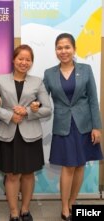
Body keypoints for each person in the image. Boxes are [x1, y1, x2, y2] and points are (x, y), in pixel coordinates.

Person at [0, 45, 52, 221]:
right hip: (8, 134)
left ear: (31, 62)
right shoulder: (1, 80)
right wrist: (9, 115)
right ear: (13, 60)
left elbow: (47, 109)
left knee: (29, 174)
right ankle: (14, 211)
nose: (24, 62)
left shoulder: (37, 81)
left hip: (31, 135)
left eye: (28, 59)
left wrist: (28, 112)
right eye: (20, 58)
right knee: (12, 175)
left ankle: (25, 209)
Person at [43, 33, 103, 221]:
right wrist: (33, 105)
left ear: (74, 49)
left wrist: (97, 127)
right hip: (63, 125)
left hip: (84, 125)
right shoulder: (49, 73)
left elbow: (93, 100)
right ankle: (64, 207)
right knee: (68, 166)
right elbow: (42, 97)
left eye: (67, 47)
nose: (63, 51)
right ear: (55, 50)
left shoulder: (85, 69)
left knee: (80, 166)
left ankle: (73, 202)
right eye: (59, 47)